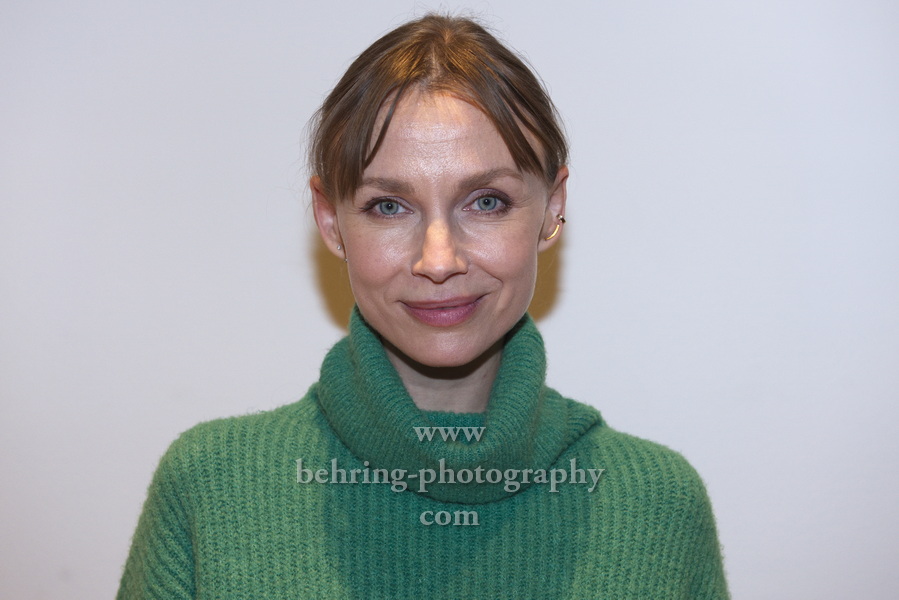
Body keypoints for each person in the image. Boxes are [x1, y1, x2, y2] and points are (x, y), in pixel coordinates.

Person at [117, 14, 729, 599]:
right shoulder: (209, 488)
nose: (438, 260)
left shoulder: (658, 504)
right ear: (330, 221)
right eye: (389, 206)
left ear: (552, 208)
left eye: (486, 201)